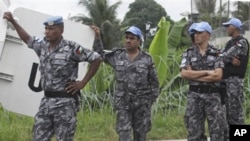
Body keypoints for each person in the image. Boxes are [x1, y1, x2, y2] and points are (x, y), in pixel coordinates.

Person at [3, 12, 102, 141]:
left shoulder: (72, 48)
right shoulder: (43, 46)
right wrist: (13, 21)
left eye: (51, 29)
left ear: (61, 30)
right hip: (46, 102)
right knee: (38, 138)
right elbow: (27, 39)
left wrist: (83, 83)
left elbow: (97, 59)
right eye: (46, 29)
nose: (47, 32)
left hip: (65, 103)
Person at [91, 25, 160, 141]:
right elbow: (100, 54)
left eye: (132, 38)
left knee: (140, 135)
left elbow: (154, 83)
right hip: (123, 104)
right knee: (124, 134)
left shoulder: (147, 59)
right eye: (127, 38)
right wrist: (97, 37)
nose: (128, 40)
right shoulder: (117, 55)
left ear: (139, 41)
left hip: (141, 106)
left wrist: (149, 101)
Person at [180, 21, 225, 141]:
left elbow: (218, 76)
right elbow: (184, 73)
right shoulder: (188, 53)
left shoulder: (217, 52)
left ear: (208, 35)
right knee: (194, 132)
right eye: (195, 33)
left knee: (217, 132)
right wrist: (208, 72)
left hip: (212, 96)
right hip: (194, 96)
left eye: (200, 33)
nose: (196, 35)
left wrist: (194, 75)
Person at [220, 18, 249, 140]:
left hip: (235, 82)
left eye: (229, 26)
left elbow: (223, 56)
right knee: (227, 112)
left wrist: (226, 57)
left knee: (236, 113)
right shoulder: (229, 43)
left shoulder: (242, 42)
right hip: (226, 81)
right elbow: (220, 55)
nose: (227, 28)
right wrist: (229, 59)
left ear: (236, 27)